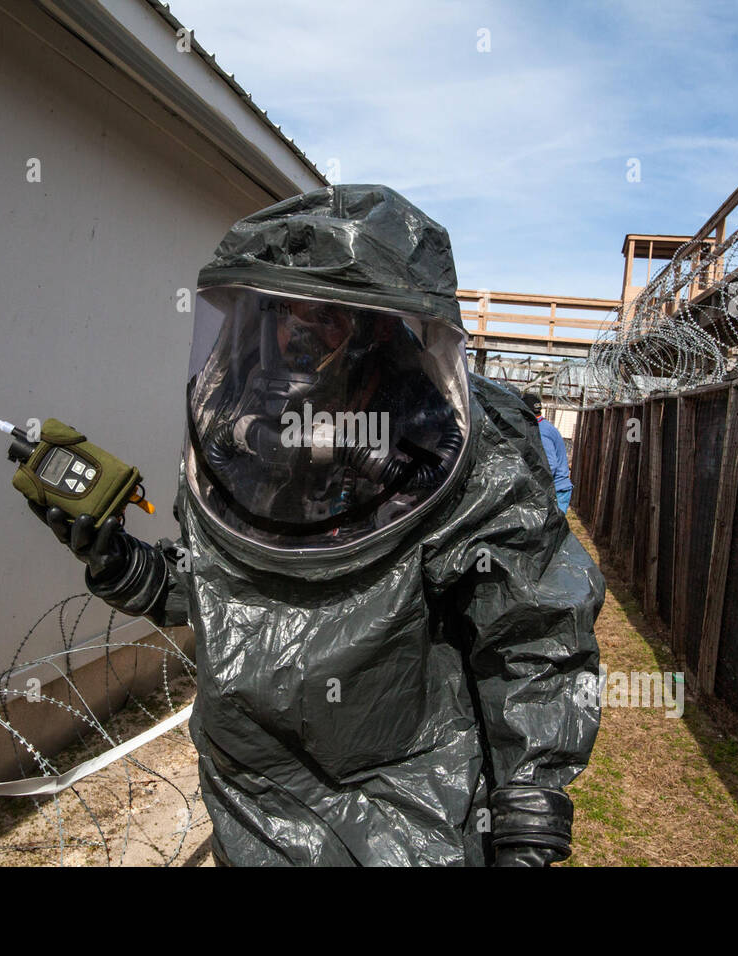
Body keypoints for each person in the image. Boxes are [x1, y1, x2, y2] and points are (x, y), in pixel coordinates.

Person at [29, 184, 604, 866]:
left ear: (379, 329)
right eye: (283, 311)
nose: (300, 332)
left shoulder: (458, 448)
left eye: (328, 314)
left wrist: (529, 808)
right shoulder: (239, 437)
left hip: (410, 810)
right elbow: (226, 593)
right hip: (252, 805)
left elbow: (534, 633)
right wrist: (133, 569)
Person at [523, 392, 573, 514]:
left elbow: (551, 465)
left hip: (556, 491)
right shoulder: (545, 426)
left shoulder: (541, 431)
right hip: (558, 489)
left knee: (553, 530)